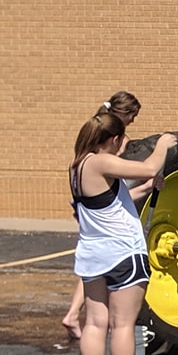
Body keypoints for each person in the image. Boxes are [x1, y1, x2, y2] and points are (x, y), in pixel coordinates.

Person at [71, 110, 176, 355]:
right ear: (113, 139)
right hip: (122, 253)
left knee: (94, 323)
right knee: (122, 325)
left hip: (93, 254)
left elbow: (112, 202)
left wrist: (148, 187)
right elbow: (147, 167)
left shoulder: (77, 166)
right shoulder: (101, 160)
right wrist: (163, 145)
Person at [63, 91, 141, 336]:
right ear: (125, 114)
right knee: (120, 322)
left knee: (94, 265)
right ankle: (75, 312)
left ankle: (74, 313)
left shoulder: (89, 145)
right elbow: (137, 174)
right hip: (111, 215)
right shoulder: (116, 141)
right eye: (133, 115)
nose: (133, 121)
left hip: (91, 214)